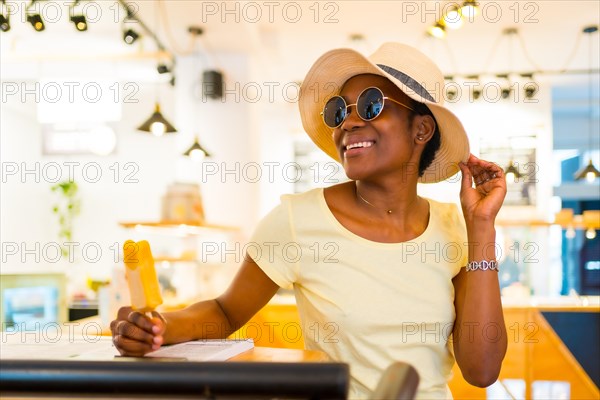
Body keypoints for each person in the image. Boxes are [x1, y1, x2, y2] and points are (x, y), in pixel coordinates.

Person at [111, 42, 507, 399]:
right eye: (339, 111)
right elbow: (225, 312)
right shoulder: (297, 220)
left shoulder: (457, 228)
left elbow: (482, 371)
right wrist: (159, 326)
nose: (347, 124)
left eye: (370, 105)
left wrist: (482, 230)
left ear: (421, 128)